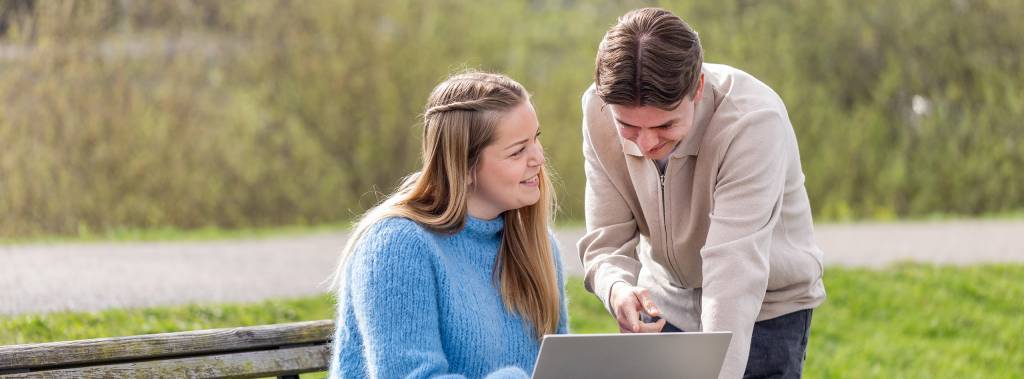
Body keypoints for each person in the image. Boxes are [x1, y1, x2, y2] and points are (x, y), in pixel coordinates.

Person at [578, 8, 826, 379]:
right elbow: (606, 241)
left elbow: (734, 274)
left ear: (697, 88)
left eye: (665, 125)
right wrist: (617, 289)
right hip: (664, 305)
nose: (646, 144)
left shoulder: (752, 122)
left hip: (763, 312)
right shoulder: (597, 111)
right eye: (628, 126)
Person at [329, 71, 568, 379]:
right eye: (517, 150)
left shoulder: (537, 245)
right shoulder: (397, 246)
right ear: (465, 167)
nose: (537, 157)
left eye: (536, 138)